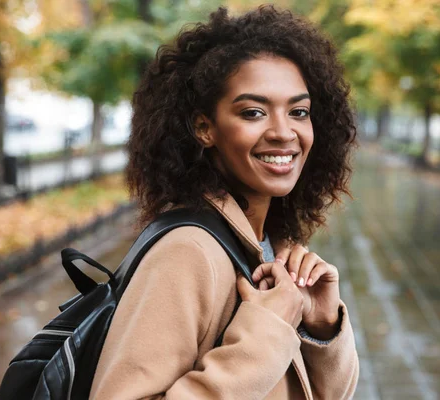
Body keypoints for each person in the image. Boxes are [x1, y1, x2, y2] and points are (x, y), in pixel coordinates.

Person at [90, 5, 359, 399]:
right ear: (204, 128)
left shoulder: (268, 245)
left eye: (299, 112)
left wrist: (320, 326)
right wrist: (264, 334)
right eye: (253, 112)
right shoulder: (188, 252)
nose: (284, 132)